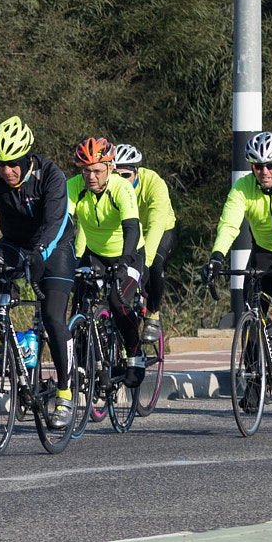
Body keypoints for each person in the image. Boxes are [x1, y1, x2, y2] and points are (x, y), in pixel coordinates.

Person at [0, 116, 79, 430]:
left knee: (52, 316)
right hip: (14, 242)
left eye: (13, 164)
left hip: (54, 245)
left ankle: (65, 394)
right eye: (0, 164)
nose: (6, 171)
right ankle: (5, 341)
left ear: (26, 159)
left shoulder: (50, 174)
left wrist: (40, 254)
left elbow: (55, 222)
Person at [202, 131, 272, 367]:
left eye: (270, 165)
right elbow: (229, 224)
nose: (264, 172)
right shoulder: (243, 187)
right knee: (251, 314)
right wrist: (216, 257)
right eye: (258, 166)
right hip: (264, 251)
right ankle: (254, 382)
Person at [67, 137, 147, 388]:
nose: (91, 177)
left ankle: (135, 355)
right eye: (86, 171)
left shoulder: (121, 189)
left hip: (129, 252)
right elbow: (65, 226)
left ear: (110, 168)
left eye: (97, 171)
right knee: (77, 302)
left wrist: (125, 260)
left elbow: (132, 228)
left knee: (118, 301)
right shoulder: (73, 187)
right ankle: (80, 364)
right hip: (95, 253)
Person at [110, 143, 175, 342]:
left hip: (158, 229)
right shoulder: (107, 187)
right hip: (127, 232)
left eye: (125, 176)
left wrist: (144, 264)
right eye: (115, 175)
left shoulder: (154, 183)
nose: (120, 181)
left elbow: (156, 225)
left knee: (153, 261)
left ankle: (153, 313)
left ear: (136, 172)